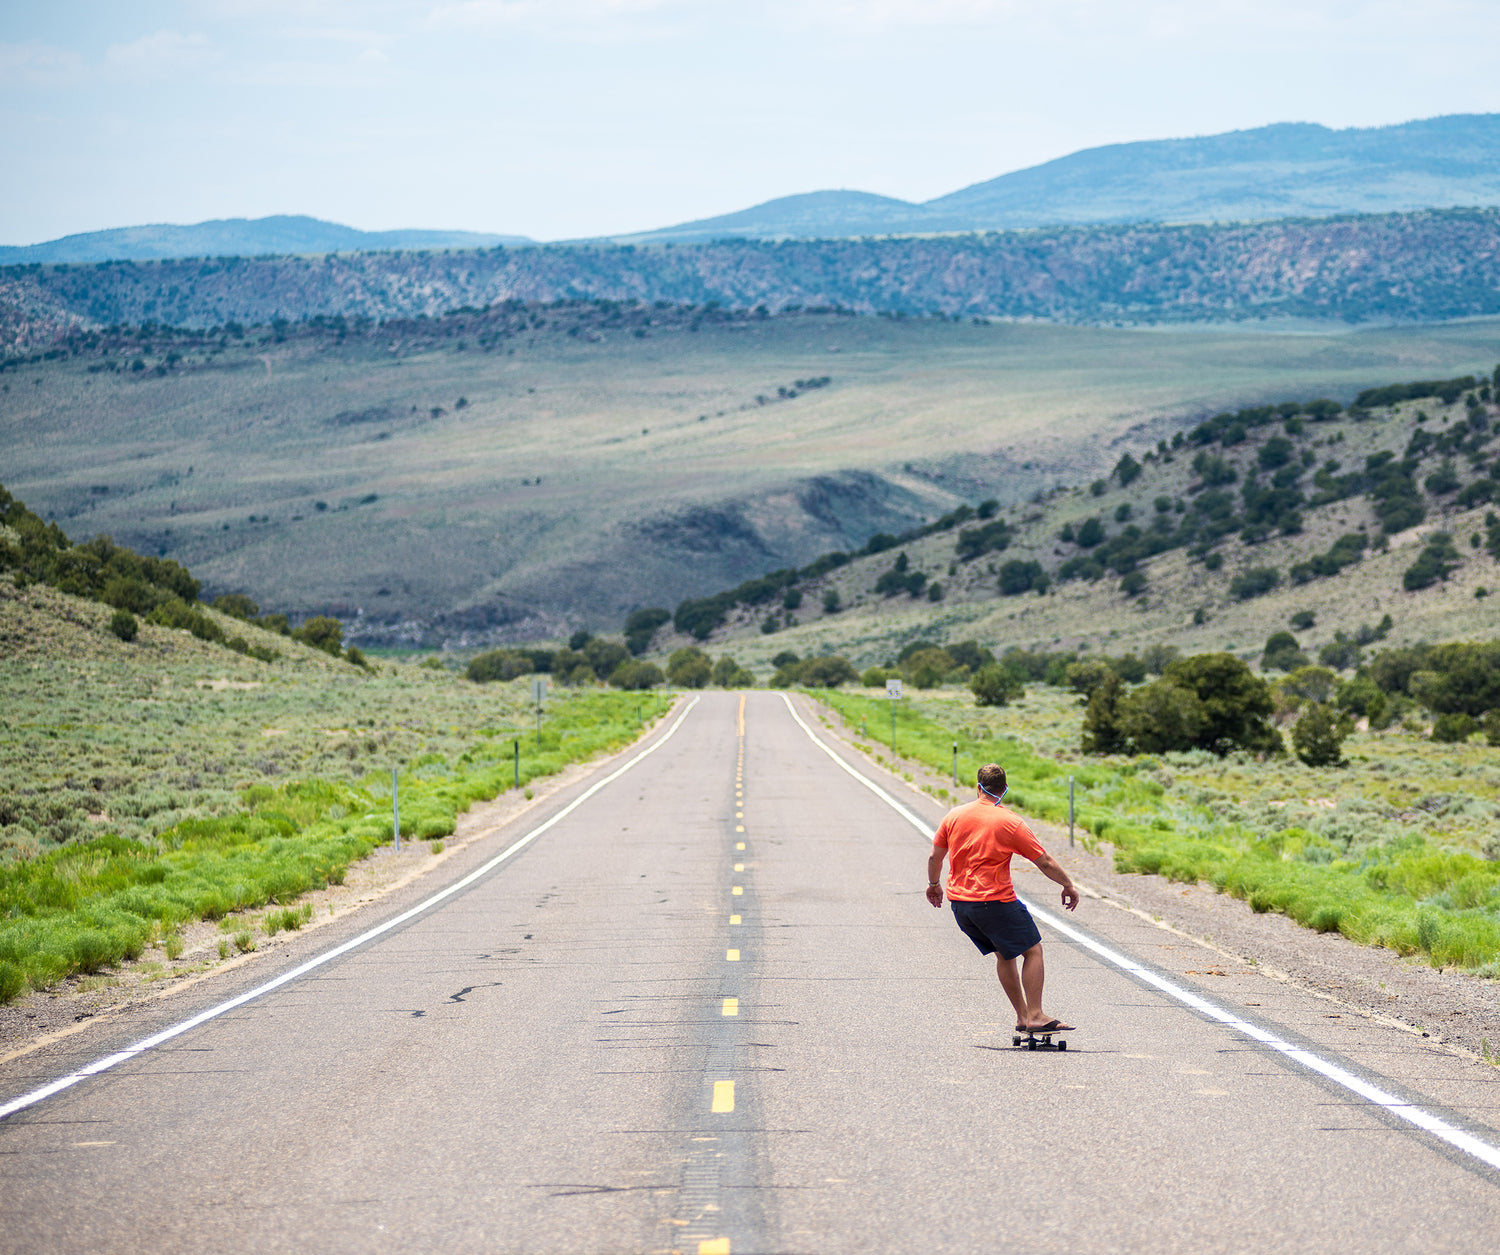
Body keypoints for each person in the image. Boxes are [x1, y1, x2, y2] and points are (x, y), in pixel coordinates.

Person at [926, 762, 1080, 1033]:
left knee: (1004, 954)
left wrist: (933, 885)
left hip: (961, 905)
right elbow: (1044, 861)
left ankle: (1023, 1016)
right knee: (1032, 950)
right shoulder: (1010, 822)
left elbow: (934, 857)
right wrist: (1067, 884)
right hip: (994, 902)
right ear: (1005, 789)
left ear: (978, 787)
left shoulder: (954, 816)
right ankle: (1035, 1015)